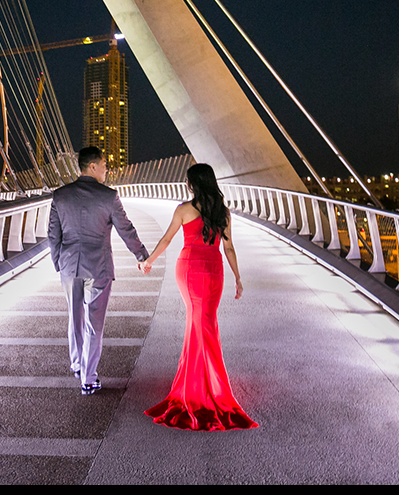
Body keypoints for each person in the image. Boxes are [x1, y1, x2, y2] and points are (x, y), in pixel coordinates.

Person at [141, 163, 258, 430]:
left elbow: (167, 240)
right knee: (204, 322)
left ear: (192, 184)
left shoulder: (183, 209)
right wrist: (237, 278)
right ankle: (207, 385)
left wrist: (149, 261)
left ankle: (196, 387)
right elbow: (228, 248)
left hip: (190, 268)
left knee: (200, 323)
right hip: (214, 269)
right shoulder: (223, 212)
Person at [49, 147, 150, 395]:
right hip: (98, 267)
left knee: (74, 317)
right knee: (94, 323)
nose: (107, 168)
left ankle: (76, 364)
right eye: (104, 164)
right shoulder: (109, 197)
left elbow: (53, 235)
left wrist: (58, 263)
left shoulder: (60, 196)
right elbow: (126, 229)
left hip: (69, 266)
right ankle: (89, 377)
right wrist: (141, 255)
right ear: (92, 166)